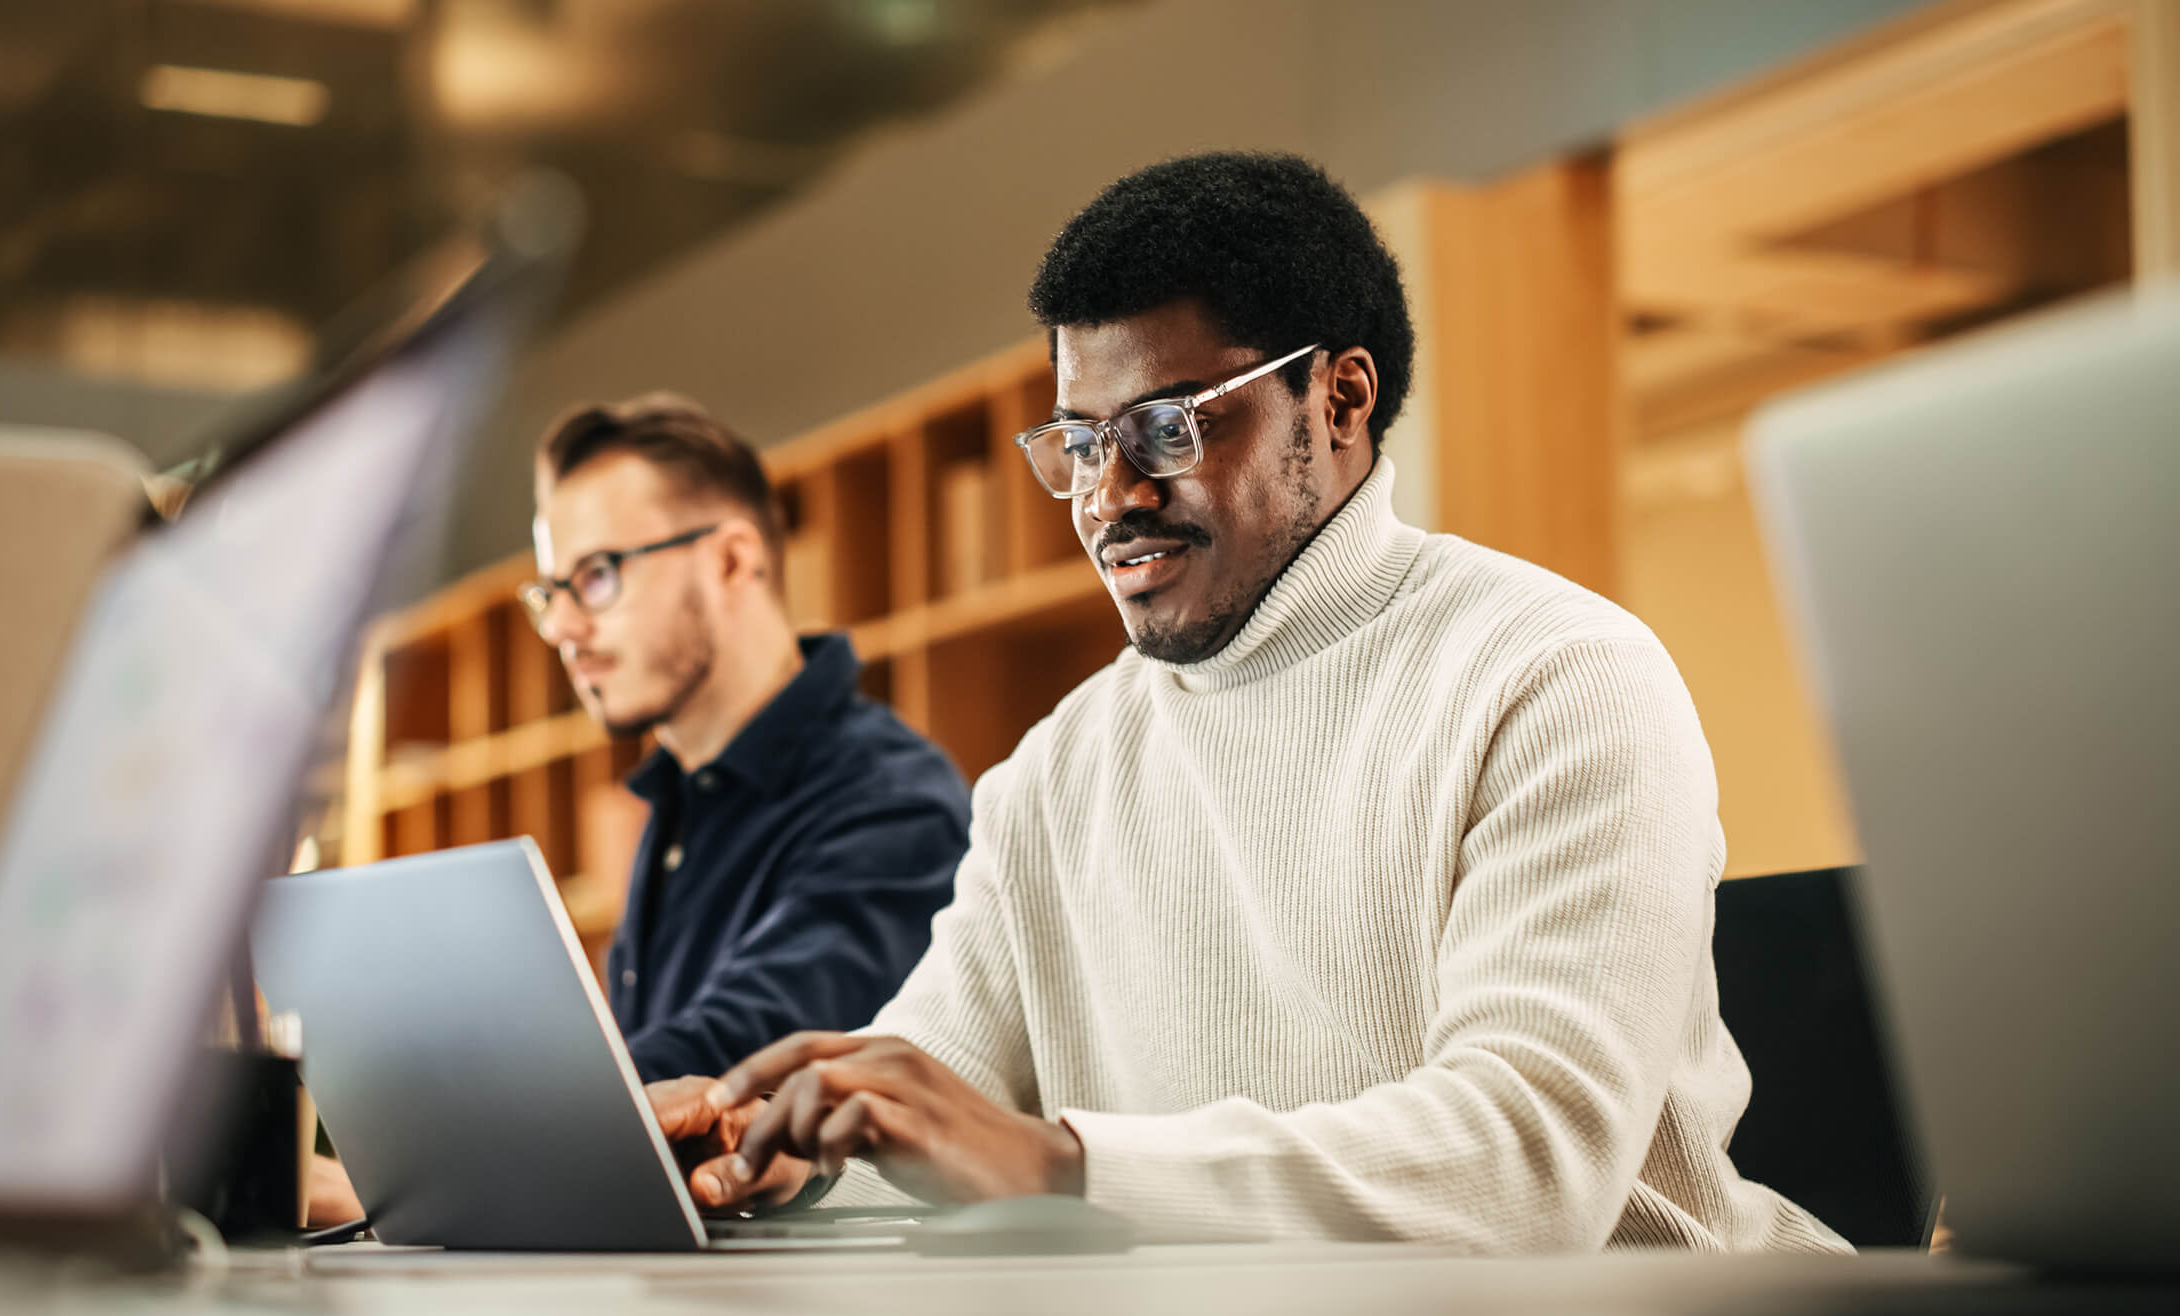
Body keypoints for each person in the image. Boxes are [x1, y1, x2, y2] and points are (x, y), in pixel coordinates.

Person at [647, 152, 1849, 1253]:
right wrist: (765, 1148)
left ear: (1337, 401)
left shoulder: (1555, 675)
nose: (1108, 495)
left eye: (1164, 429)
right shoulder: (1057, 769)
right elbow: (934, 1107)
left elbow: (1527, 1167)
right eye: (1078, 438)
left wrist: (1064, 1167)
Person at [307, 394, 970, 1226]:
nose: (564, 629)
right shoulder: (677, 803)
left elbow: (740, 1053)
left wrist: (417, 1166)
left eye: (596, 577)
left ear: (731, 561)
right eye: (551, 592)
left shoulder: (893, 800)